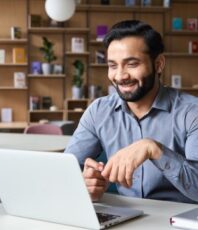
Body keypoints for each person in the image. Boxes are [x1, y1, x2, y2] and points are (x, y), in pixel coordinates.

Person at [64, 20, 198, 204]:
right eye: (112, 66)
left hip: (178, 220)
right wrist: (84, 183)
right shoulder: (99, 111)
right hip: (126, 215)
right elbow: (64, 171)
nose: (120, 76)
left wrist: (154, 149)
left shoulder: (192, 112)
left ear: (158, 64)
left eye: (132, 64)